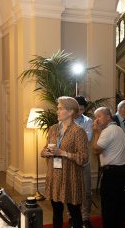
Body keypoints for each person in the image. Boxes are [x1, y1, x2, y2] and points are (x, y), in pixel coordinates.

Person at [41, 96, 88, 228]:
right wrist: (45, 152)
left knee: (74, 213)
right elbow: (45, 148)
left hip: (70, 178)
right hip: (54, 177)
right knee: (56, 212)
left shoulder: (78, 131)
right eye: (58, 108)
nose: (57, 111)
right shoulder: (53, 129)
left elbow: (83, 158)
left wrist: (63, 153)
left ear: (70, 112)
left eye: (60, 108)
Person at [92, 107, 125, 228]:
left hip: (111, 173)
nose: (96, 120)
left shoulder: (108, 131)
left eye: (99, 116)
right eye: (95, 117)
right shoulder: (119, 129)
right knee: (118, 203)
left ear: (108, 117)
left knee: (108, 205)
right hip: (121, 170)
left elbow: (96, 149)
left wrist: (96, 132)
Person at [67, 96, 93, 228]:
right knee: (71, 190)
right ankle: (71, 216)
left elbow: (87, 138)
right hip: (69, 162)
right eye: (78, 109)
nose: (80, 112)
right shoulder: (66, 120)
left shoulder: (88, 121)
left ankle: (85, 217)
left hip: (84, 162)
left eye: (82, 109)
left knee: (86, 191)